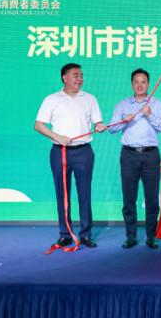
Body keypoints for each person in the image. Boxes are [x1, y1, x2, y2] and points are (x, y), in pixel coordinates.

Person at [35, 63, 106, 248]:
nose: (79, 79)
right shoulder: (52, 99)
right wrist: (57, 136)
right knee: (62, 194)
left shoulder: (89, 98)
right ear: (64, 78)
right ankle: (65, 233)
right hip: (60, 152)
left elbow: (98, 122)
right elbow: (38, 125)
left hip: (83, 152)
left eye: (81, 75)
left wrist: (99, 126)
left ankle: (86, 234)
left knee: (85, 194)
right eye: (75, 75)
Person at [108, 68, 161, 249]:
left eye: (143, 82)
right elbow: (111, 129)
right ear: (132, 84)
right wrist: (123, 121)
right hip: (129, 155)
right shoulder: (122, 105)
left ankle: (151, 236)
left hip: (151, 155)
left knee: (152, 199)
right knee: (129, 198)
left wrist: (150, 114)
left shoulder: (156, 103)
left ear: (148, 84)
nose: (140, 85)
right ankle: (131, 236)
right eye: (136, 82)